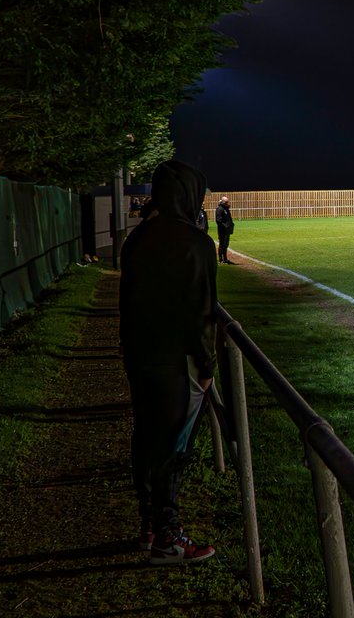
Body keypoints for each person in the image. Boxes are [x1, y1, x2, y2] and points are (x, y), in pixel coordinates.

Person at [120, 160, 217, 564]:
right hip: (177, 364)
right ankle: (167, 535)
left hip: (140, 355)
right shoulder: (195, 243)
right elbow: (201, 313)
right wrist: (208, 366)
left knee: (146, 437)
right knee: (173, 449)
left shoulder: (136, 240)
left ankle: (148, 524)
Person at [214, 195, 234, 264]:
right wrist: (225, 226)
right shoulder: (220, 209)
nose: (228, 203)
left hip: (227, 230)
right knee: (222, 244)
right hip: (222, 231)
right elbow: (218, 220)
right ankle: (220, 259)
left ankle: (225, 259)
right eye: (226, 202)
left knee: (226, 245)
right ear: (223, 202)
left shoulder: (226, 209)